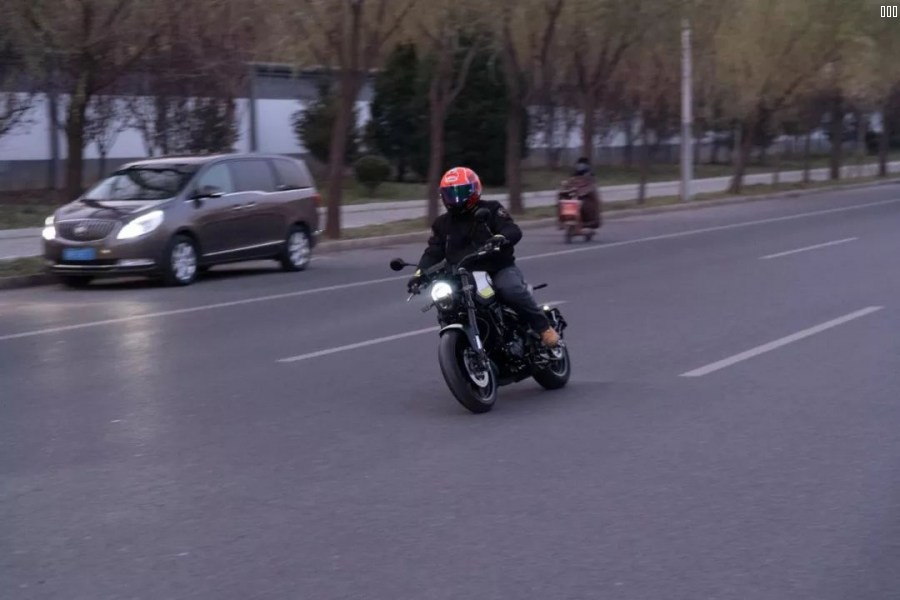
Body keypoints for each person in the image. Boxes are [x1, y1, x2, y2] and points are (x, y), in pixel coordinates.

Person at [407, 167, 560, 348]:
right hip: (462, 275)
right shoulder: (442, 223)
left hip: (496, 268)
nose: (455, 199)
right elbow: (433, 251)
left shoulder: (491, 209)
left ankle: (543, 328)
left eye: (461, 192)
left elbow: (512, 229)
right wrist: (419, 274)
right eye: (450, 194)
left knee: (509, 289)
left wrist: (501, 238)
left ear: (474, 190)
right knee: (447, 302)